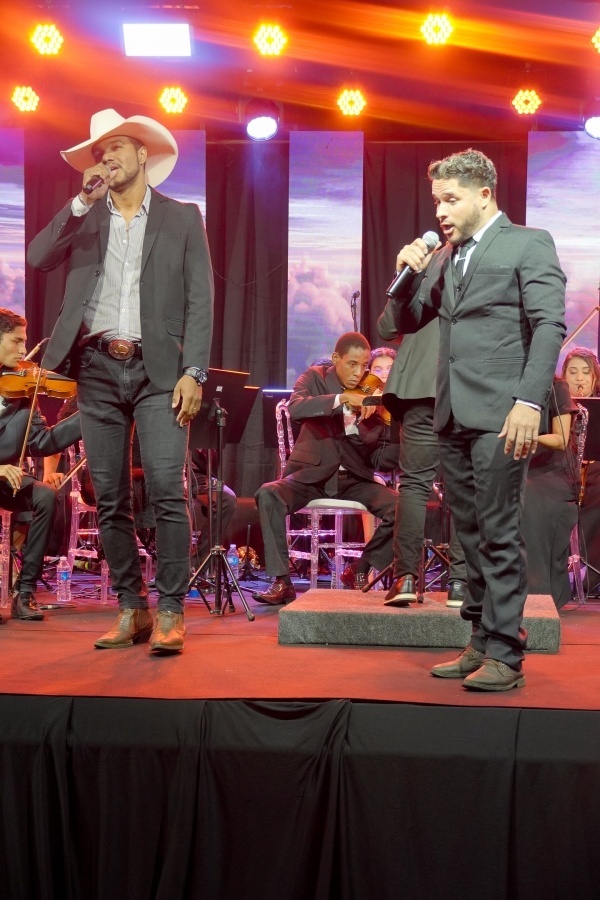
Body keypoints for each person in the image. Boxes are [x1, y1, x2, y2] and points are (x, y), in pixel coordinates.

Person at [27, 109, 214, 654]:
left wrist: (194, 371)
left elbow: (201, 300)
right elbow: (38, 257)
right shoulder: (85, 216)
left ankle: (171, 609)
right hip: (97, 368)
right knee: (109, 497)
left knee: (167, 491)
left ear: (142, 154)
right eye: (99, 151)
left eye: (116, 147)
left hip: (160, 371)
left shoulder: (182, 217)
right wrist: (79, 202)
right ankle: (132, 607)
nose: (106, 157)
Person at [388, 148, 566, 690]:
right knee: (467, 533)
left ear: (484, 195)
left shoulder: (527, 243)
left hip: (502, 413)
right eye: (436, 201)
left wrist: (529, 402)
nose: (440, 211)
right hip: (452, 412)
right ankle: (480, 640)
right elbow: (405, 321)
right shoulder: (445, 256)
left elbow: (549, 326)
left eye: (451, 199)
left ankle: (507, 653)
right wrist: (405, 275)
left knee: (498, 530)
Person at [253, 332, 398, 604]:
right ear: (336, 359)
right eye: (352, 364)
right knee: (268, 494)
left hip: (354, 478)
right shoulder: (315, 377)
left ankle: (360, 568)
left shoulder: (373, 395)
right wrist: (342, 400)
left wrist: (390, 426)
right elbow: (296, 408)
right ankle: (282, 582)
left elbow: (380, 457)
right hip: (311, 475)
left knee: (403, 507)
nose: (359, 373)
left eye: (364, 366)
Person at [377, 312, 467, 608]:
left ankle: (404, 579)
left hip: (419, 386)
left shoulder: (420, 280)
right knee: (465, 487)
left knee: (414, 485)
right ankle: (460, 583)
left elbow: (388, 326)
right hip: (467, 384)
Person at [0, 309, 81, 621]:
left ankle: (24, 592)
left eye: (24, 342)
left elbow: (42, 443)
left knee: (45, 495)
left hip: (8, 481)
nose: (24, 350)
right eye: (16, 341)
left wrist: (88, 415)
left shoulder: (23, 389)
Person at [521, 377, 579, 609]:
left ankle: (537, 593)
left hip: (552, 472)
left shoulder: (557, 388)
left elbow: (561, 439)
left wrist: (524, 437)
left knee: (527, 498)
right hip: (519, 467)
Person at [561, 346, 600, 595]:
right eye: (573, 372)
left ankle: (589, 572)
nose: (579, 378)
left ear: (595, 378)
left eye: (586, 372)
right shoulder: (556, 406)